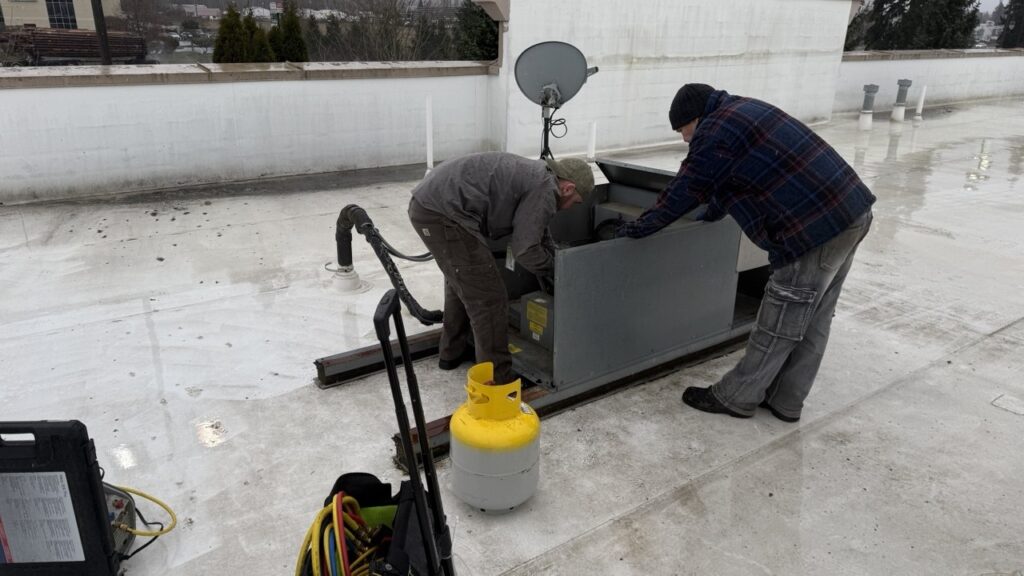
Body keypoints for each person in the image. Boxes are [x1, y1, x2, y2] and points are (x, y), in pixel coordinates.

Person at [618, 83, 875, 422]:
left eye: (682, 129)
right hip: (851, 212)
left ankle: (736, 397)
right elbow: (730, 179)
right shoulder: (740, 112)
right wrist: (709, 214)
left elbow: (684, 190)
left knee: (779, 320)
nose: (683, 138)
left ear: (695, 118)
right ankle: (786, 401)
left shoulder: (714, 132)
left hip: (814, 229)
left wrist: (635, 229)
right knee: (815, 318)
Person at [409, 152, 595, 385]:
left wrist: (560, 258)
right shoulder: (547, 189)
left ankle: (452, 353)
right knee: (490, 299)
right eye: (575, 202)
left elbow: (537, 230)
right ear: (568, 188)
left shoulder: (539, 176)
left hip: (429, 205)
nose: (570, 208)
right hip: (444, 213)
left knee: (464, 282)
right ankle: (499, 381)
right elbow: (526, 250)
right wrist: (555, 270)